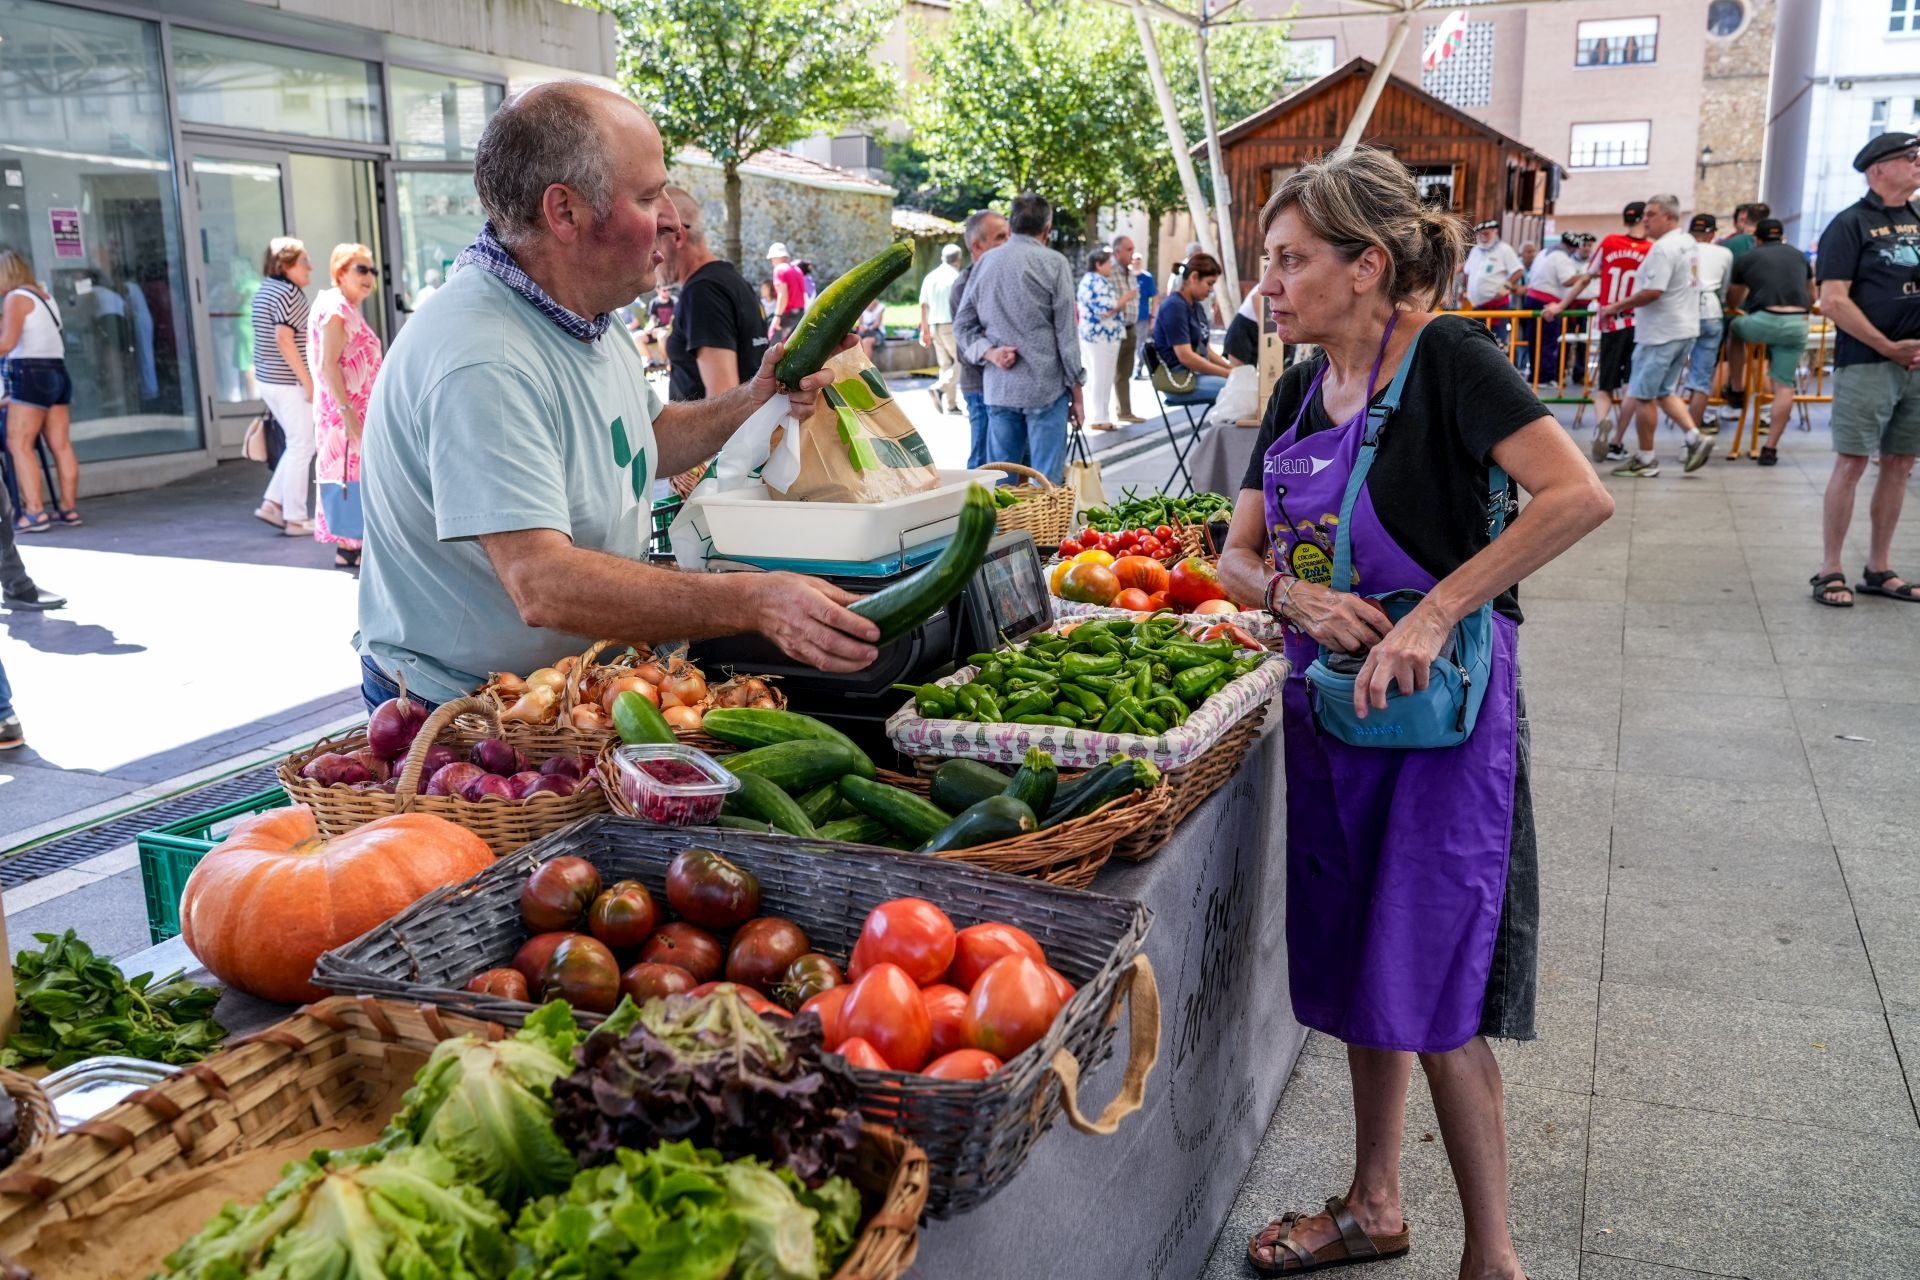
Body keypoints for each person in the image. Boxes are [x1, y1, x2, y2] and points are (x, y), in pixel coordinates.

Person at [1220, 145, 1612, 1280]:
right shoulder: (1296, 385)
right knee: (1357, 964)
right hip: (1332, 714)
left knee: (1437, 982)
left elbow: (1575, 494)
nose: (1270, 285)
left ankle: (1496, 1256)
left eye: (1290, 261)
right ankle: (1374, 1202)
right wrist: (1293, 593)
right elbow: (1236, 555)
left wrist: (1430, 612)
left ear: (1367, 263)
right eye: (1266, 261)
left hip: (1443, 725)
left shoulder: (1451, 358)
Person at [356, 82, 878, 709]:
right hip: (466, 714)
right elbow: (542, 583)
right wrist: (753, 600)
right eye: (649, 195)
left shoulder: (586, 319)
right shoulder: (485, 358)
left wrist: (757, 396)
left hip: (564, 688)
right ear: (565, 212)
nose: (671, 221)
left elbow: (645, 441)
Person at [1809, 132, 1920, 608]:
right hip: (1869, 361)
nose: (1918, 165)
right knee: (1853, 461)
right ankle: (1829, 567)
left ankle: (1879, 567)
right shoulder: (1850, 224)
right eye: (1909, 158)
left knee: (1900, 463)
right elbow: (1832, 300)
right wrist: (1888, 346)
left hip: (1915, 365)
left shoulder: (1917, 220)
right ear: (1879, 170)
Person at [952, 192, 1084, 484]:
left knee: (1002, 480)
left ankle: (1004, 530)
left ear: (1011, 226)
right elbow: (1067, 333)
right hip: (1045, 387)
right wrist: (1077, 390)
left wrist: (990, 352)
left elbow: (962, 325)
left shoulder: (984, 264)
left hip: (999, 387)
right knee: (1046, 481)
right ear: (1047, 230)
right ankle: (1042, 531)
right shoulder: (1055, 263)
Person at [1597, 194, 1713, 477]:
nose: (1644, 220)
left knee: (1643, 396)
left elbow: (1653, 291)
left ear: (1669, 217)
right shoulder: (1688, 244)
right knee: (1662, 391)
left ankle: (1646, 458)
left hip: (1660, 332)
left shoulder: (1663, 249)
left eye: (1651, 214)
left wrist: (1614, 307)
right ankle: (1694, 437)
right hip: (1684, 327)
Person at [308, 243, 383, 571]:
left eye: (373, 271)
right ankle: (354, 543)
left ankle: (350, 546)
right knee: (350, 475)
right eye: (361, 269)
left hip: (353, 410)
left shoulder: (346, 307)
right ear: (341, 272)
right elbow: (329, 365)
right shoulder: (336, 308)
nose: (370, 277)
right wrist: (347, 412)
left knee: (352, 474)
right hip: (345, 412)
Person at [660, 187, 768, 404]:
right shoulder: (731, 279)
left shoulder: (702, 292)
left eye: (653, 237)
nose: (650, 251)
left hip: (713, 438)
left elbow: (722, 396)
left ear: (678, 236)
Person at [0, 251, 78, 532]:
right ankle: (68, 509)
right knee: (61, 444)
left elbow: (6, 343)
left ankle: (34, 513)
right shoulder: (44, 296)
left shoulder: (15, 298)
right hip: (58, 371)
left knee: (19, 443)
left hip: (30, 373)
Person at [1726, 217, 1813, 465]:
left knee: (1735, 329)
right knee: (1784, 385)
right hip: (1797, 323)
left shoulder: (1749, 257)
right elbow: (1812, 293)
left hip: (1763, 320)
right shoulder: (1799, 256)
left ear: (1757, 239)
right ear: (1782, 236)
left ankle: (1736, 388)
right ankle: (1770, 447)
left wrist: (1737, 307)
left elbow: (1735, 296)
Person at [250, 237, 317, 536]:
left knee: (297, 444)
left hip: (269, 379)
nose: (310, 268)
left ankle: (273, 504)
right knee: (302, 446)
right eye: (304, 262)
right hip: (288, 381)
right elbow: (284, 338)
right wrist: (308, 381)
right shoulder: (291, 293)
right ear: (286, 265)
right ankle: (296, 517)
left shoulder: (265, 290)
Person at [949, 208, 1012, 469]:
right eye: (1000, 238)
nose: (1009, 244)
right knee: (984, 462)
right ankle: (974, 508)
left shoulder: (1009, 275)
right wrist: (996, 354)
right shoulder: (964, 285)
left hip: (1009, 386)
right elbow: (965, 342)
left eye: (1010, 236)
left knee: (1013, 463)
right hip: (981, 387)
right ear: (977, 245)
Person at [1150, 251, 1233, 400]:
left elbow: (1206, 350)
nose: (1211, 289)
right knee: (1237, 389)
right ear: (1194, 277)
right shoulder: (1174, 306)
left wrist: (1231, 369)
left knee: (1241, 384)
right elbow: (1186, 357)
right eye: (1209, 283)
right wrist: (1228, 374)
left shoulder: (1196, 306)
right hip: (1179, 380)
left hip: (1192, 375)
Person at [1682, 213, 1735, 433]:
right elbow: (1724, 288)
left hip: (1682, 311)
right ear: (1712, 233)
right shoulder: (1724, 253)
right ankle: (1691, 436)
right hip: (1711, 311)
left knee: (1670, 378)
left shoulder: (1681, 250)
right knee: (1702, 379)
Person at [1075, 246, 1132, 431]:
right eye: (1108, 263)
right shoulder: (1096, 281)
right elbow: (1107, 309)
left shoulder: (1090, 280)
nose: (1111, 267)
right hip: (1102, 337)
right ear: (1098, 264)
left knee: (1098, 377)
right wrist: (1125, 299)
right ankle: (1100, 417)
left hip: (1095, 336)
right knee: (1102, 377)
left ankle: (1099, 415)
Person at [1522, 233, 1585, 386]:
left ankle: (1534, 375)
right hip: (1547, 302)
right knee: (1547, 342)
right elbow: (1568, 280)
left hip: (1531, 298)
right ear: (1572, 247)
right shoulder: (1562, 257)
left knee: (1534, 340)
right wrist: (1585, 277)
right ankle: (1545, 377)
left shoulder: (1544, 252)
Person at [918, 244, 962, 413]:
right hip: (950, 324)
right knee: (961, 361)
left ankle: (951, 405)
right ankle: (939, 388)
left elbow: (923, 305)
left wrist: (925, 329)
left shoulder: (930, 277)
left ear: (942, 258)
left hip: (934, 324)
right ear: (958, 260)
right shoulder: (956, 277)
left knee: (945, 365)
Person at [1109, 234, 1145, 423]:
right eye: (1129, 249)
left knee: (1125, 371)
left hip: (1131, 327)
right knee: (1110, 372)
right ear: (1117, 252)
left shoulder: (1130, 272)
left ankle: (1125, 410)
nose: (1132, 253)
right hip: (1115, 328)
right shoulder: (1109, 271)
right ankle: (1106, 413)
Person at [1460, 220, 1523, 314]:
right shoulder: (1475, 250)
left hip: (1497, 306)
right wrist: (1463, 290)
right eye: (1479, 234)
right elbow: (1467, 272)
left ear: (1495, 232)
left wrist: (1505, 288)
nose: (1482, 236)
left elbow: (1518, 271)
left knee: (1496, 329)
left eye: (1486, 233)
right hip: (1474, 305)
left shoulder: (1504, 249)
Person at [766, 243, 808, 343]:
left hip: (787, 315)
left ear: (777, 257)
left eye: (772, 258)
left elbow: (782, 295)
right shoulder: (797, 270)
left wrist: (777, 317)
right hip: (800, 314)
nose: (771, 261)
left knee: (773, 346)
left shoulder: (779, 269)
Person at [1130, 251, 1159, 383]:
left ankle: (1138, 369)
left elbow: (1155, 298)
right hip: (1128, 318)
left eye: (1138, 261)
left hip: (1142, 317)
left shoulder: (1147, 278)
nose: (1136, 263)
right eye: (1134, 260)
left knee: (1140, 344)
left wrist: (1153, 316)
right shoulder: (1127, 275)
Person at [1223, 289, 1262, 367]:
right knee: (1240, 371)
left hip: (1254, 330)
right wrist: (1262, 325)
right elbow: (1257, 297)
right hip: (1243, 329)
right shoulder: (1267, 280)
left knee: (1250, 371)